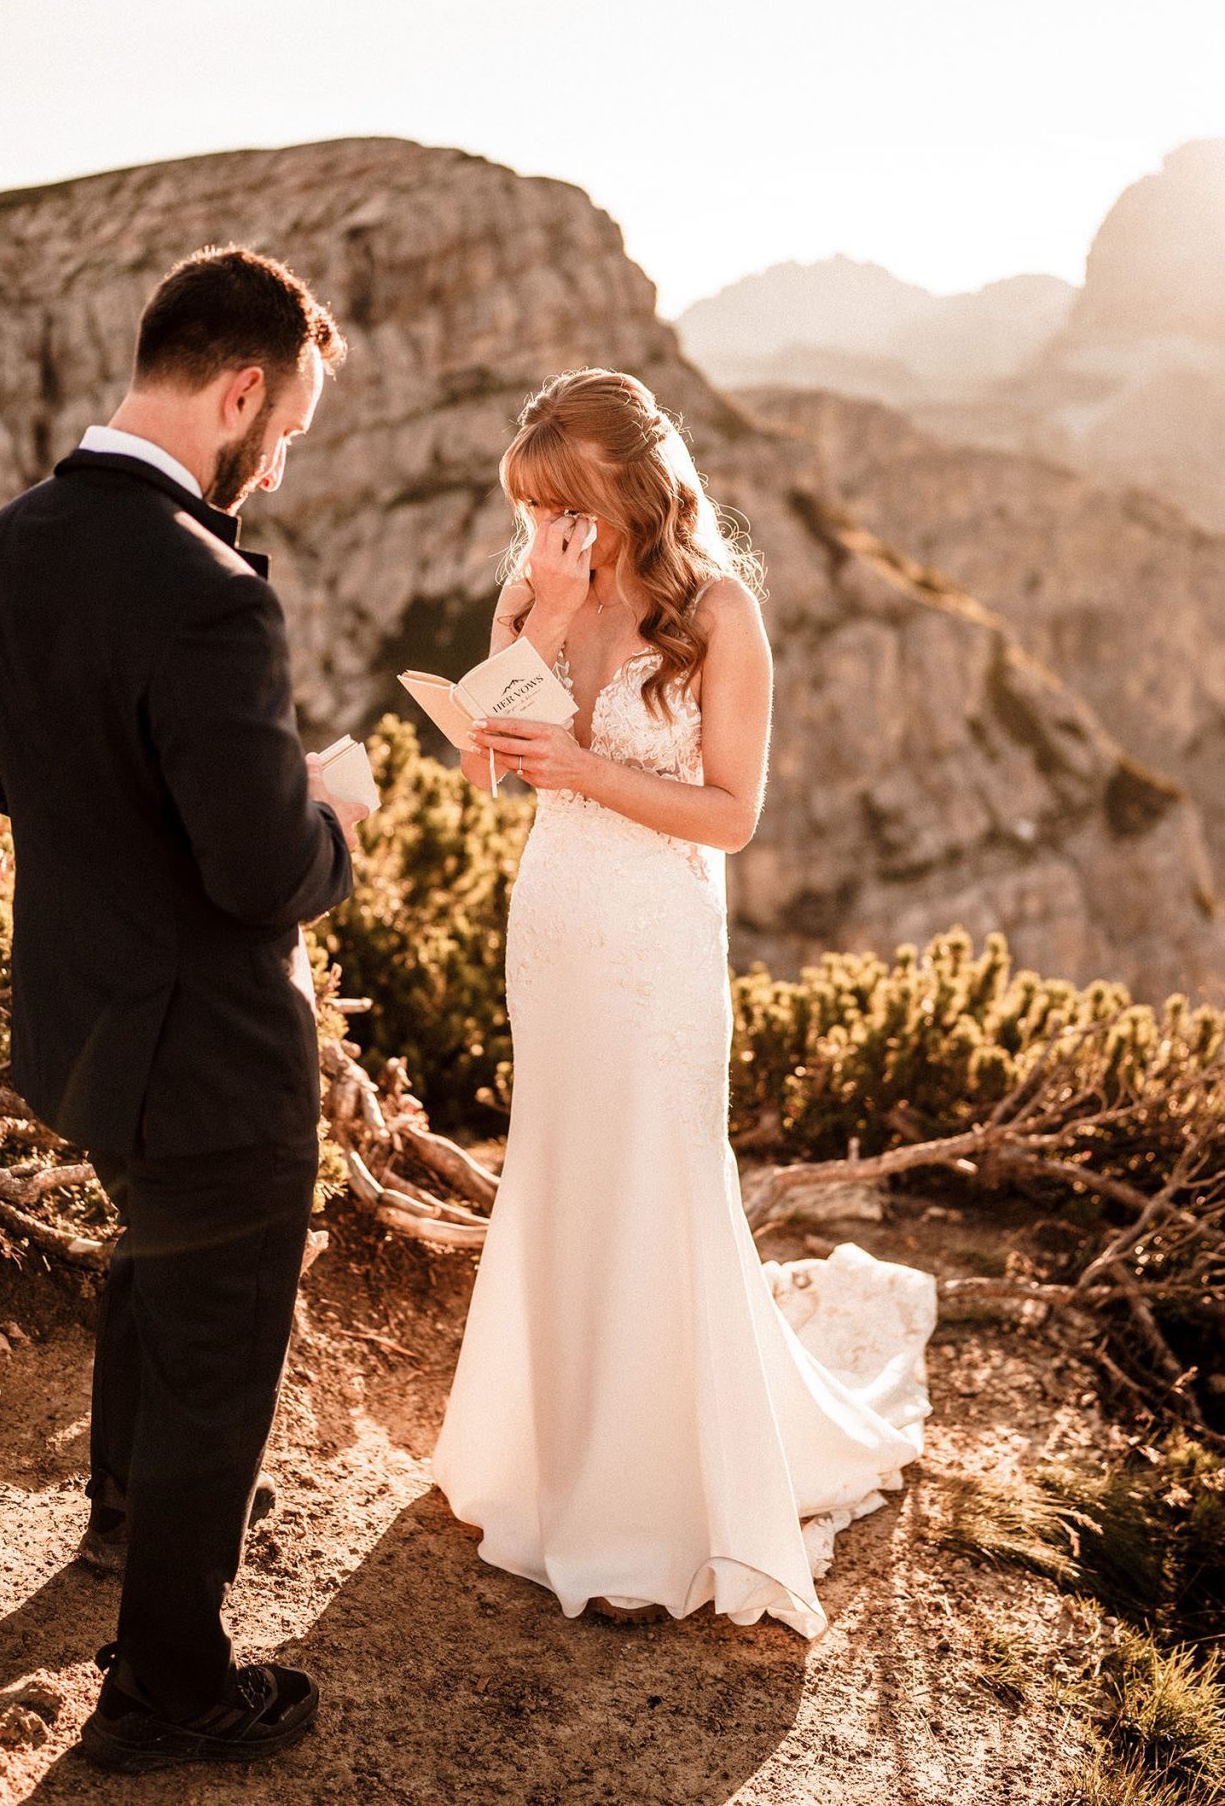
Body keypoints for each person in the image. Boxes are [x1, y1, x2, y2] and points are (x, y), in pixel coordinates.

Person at [0, 246, 367, 1771]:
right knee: (220, 1343)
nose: (281, 460)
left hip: (85, 1018)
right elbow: (262, 874)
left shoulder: (3, 546)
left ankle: (126, 1512)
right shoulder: (208, 596)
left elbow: (4, 777)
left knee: (153, 1262)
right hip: (212, 1050)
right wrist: (336, 812)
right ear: (239, 390)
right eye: (292, 427)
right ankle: (171, 1685)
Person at [432, 368, 935, 1638]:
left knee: (655, 1176)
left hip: (659, 942)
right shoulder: (533, 591)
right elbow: (478, 769)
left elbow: (733, 814)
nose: (553, 526)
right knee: (561, 1172)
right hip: (552, 926)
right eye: (536, 507)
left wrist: (593, 769)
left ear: (630, 491)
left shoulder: (721, 614)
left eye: (568, 503)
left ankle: (650, 1505)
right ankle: (546, 1463)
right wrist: (540, 616)